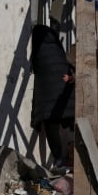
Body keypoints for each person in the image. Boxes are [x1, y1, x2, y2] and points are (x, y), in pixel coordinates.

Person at [30, 25, 75, 169]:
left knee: (51, 129)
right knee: (72, 126)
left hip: (49, 105)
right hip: (66, 102)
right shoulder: (59, 51)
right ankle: (76, 156)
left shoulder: (38, 52)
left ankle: (59, 159)